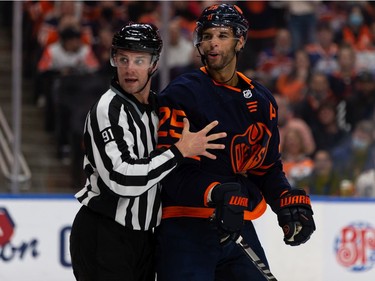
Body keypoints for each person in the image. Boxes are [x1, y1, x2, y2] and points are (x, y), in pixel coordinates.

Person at [155, 4, 316, 281]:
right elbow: (169, 171)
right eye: (206, 36)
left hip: (237, 224)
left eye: (222, 35)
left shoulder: (262, 101)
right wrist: (217, 193)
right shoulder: (182, 94)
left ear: (240, 40)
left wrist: (284, 202)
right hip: (185, 226)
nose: (212, 43)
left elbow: (266, 168)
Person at [69, 23, 227, 281]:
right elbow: (122, 178)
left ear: (154, 64)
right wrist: (178, 152)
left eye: (139, 60)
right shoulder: (108, 110)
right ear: (114, 61)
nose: (130, 68)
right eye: (123, 59)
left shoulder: (158, 109)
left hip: (145, 237)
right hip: (105, 234)